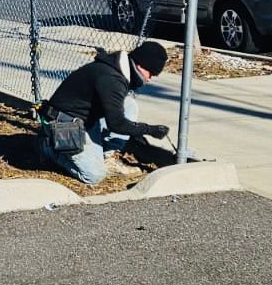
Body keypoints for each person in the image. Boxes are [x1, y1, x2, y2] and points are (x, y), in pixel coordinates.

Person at [38, 41, 172, 185]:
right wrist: (149, 130)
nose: (149, 79)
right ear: (140, 65)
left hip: (85, 119)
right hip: (63, 124)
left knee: (129, 105)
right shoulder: (111, 79)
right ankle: (49, 148)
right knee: (93, 176)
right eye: (151, 74)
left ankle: (109, 158)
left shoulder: (116, 69)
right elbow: (117, 124)